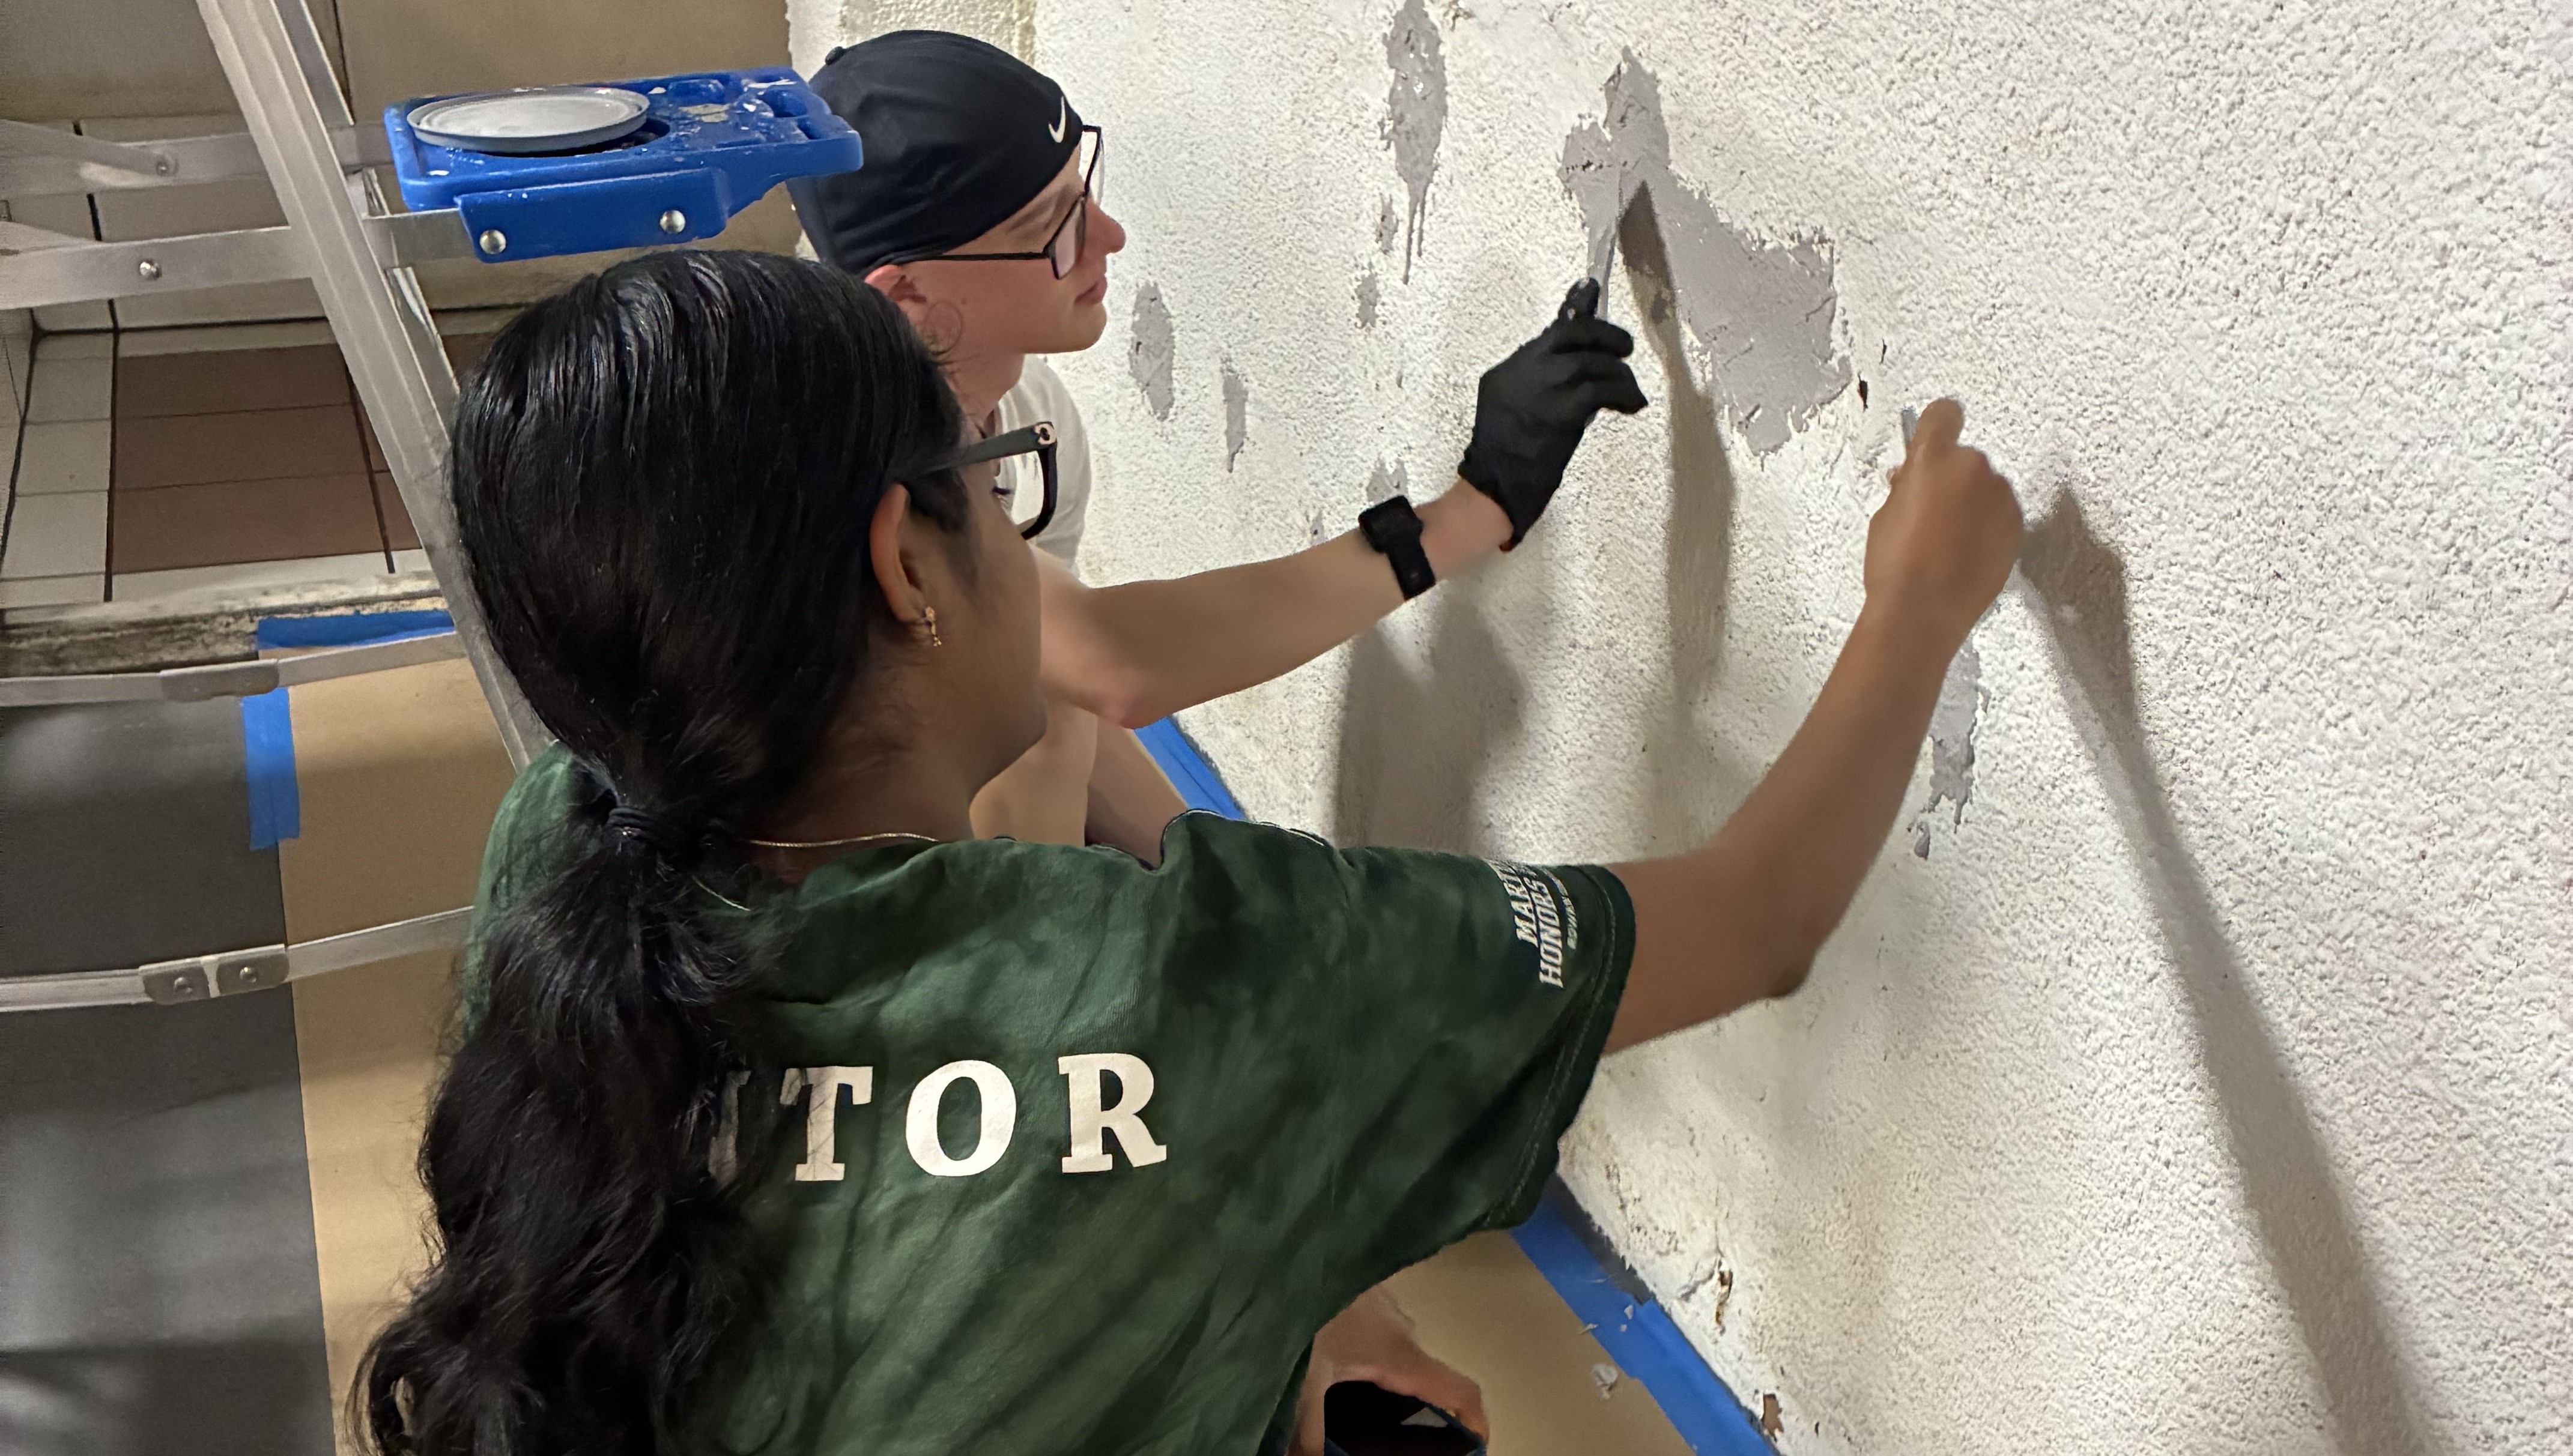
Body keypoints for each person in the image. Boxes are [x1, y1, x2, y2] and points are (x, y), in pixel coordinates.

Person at [360, 251, 2020, 1455]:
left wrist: (1271, 1304)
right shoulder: (1210, 972)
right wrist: (1916, 604)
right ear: (906, 564)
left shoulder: (561, 843)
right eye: (987, 487)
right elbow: (1756, 915)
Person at [788, 31, 1625, 863]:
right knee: (1010, 711)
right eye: (1054, 228)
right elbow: (1114, 660)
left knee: (1034, 703)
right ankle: (1039, 987)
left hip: (934, 835)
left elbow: (1077, 699)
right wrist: (1479, 505)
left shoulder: (1023, 410)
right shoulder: (837, 457)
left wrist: (1239, 881)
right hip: (815, 921)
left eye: (1085, 192)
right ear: (909, 293)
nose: (1109, 236)